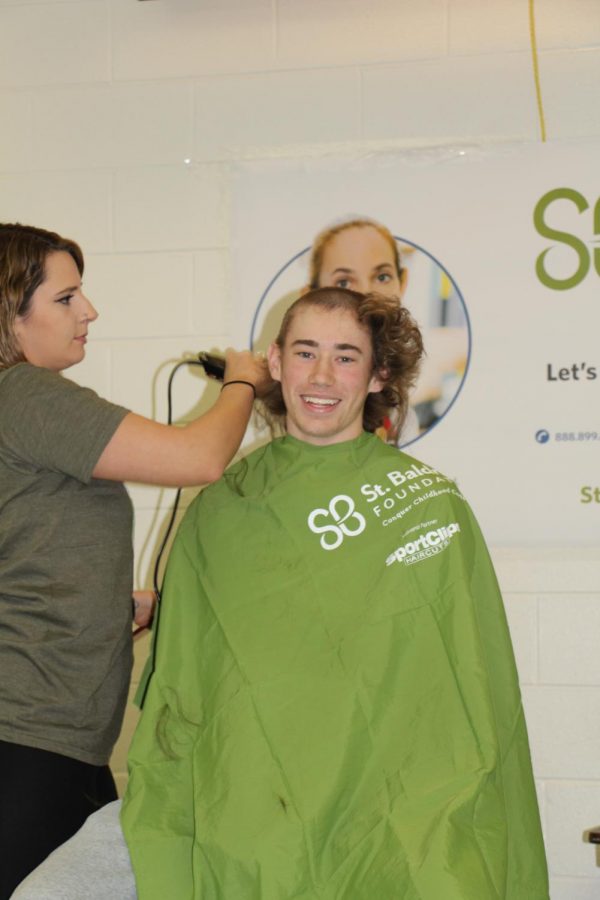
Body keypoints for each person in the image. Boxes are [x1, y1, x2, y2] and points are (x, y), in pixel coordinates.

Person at [13, 288, 549, 900]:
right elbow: (191, 675)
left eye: (346, 357)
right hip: (252, 803)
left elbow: (470, 684)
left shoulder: (426, 504)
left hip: (395, 810)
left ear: (378, 375)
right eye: (305, 352)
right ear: (274, 361)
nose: (322, 376)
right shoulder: (224, 504)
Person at [0, 222, 269, 899]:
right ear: (10, 311)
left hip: (56, 739)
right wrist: (242, 381)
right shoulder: (26, 397)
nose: (89, 311)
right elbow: (197, 459)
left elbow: (27, 553)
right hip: (29, 741)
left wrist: (117, 608)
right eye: (66, 299)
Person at [306, 215, 468, 444]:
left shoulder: (405, 413)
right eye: (343, 282)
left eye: (382, 276)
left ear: (402, 283)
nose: (367, 292)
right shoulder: (298, 390)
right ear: (310, 295)